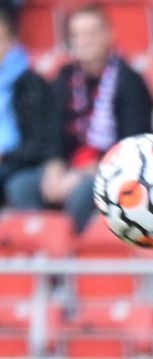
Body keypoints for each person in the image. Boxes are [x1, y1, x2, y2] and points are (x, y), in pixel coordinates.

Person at [44, 5, 153, 229]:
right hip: (69, 164)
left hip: (112, 169)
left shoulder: (130, 82)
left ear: (109, 35)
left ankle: (71, 254)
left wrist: (80, 174)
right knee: (22, 186)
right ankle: (33, 249)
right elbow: (52, 130)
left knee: (83, 192)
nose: (84, 41)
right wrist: (53, 168)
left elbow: (132, 146)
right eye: (77, 35)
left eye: (91, 33)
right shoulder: (64, 78)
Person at [0, 9, 63, 211]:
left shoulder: (32, 84)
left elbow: (39, 142)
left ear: (12, 39)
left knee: (20, 187)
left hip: (20, 163)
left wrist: (6, 157)